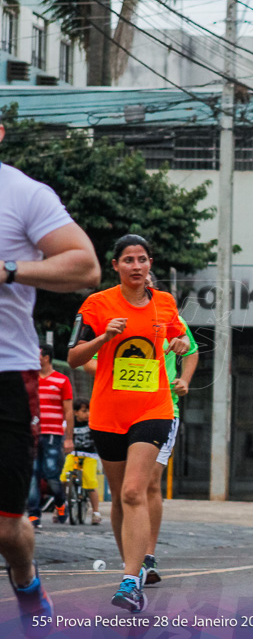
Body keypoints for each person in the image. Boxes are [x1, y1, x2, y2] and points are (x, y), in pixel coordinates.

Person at [0, 142, 100, 632]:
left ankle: (25, 578)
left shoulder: (22, 194)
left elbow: (85, 266)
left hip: (6, 371)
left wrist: (11, 270)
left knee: (6, 525)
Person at [68, 234, 189, 612]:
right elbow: (72, 357)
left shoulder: (165, 303)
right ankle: (131, 571)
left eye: (142, 259)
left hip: (153, 408)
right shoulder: (96, 304)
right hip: (108, 413)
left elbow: (180, 339)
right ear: (116, 266)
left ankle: (129, 581)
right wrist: (105, 336)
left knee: (135, 491)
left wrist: (181, 344)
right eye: (128, 260)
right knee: (120, 496)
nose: (136, 266)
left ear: (150, 263)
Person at [143, 274, 198, 586]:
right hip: (121, 410)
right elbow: (87, 361)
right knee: (128, 487)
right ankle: (131, 554)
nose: (144, 279)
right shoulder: (112, 313)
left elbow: (190, 350)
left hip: (164, 408)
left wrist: (185, 380)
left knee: (150, 482)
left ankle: (146, 557)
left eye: (149, 275)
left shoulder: (169, 314)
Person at [28, 344, 74, 527]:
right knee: (33, 473)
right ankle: (34, 514)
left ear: (46, 358)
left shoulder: (62, 381)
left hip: (54, 434)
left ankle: (61, 502)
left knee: (51, 473)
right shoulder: (30, 381)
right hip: (33, 434)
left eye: (37, 355)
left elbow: (69, 411)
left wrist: (69, 438)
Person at [60, 401, 102, 526]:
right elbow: (62, 432)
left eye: (89, 411)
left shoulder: (92, 423)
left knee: (90, 481)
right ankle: (62, 503)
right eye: (84, 411)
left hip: (90, 456)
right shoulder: (70, 423)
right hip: (74, 454)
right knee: (64, 476)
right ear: (75, 412)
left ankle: (96, 513)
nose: (87, 414)